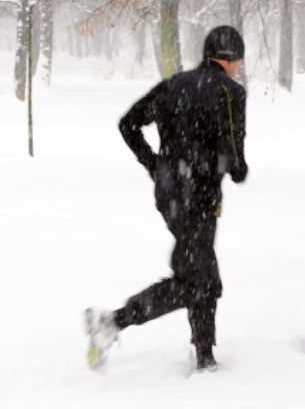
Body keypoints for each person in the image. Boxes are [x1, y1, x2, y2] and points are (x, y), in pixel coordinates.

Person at [84, 25, 249, 374]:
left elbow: (129, 123)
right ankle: (113, 323)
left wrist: (155, 164)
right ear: (231, 58)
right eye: (239, 60)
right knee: (201, 281)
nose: (239, 67)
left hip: (169, 195)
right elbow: (236, 160)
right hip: (200, 198)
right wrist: (235, 167)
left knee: (199, 276)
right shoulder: (231, 92)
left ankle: (203, 355)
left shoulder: (173, 85)